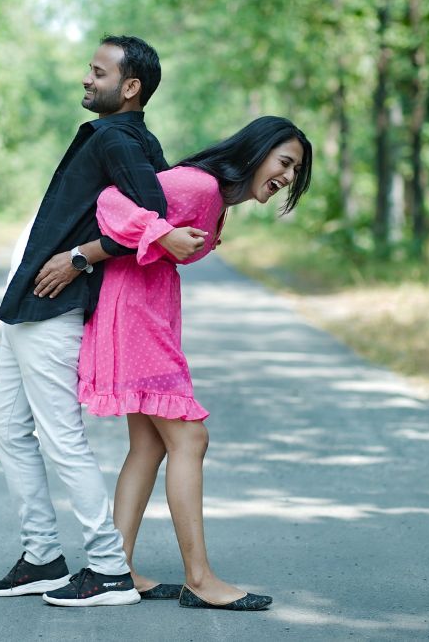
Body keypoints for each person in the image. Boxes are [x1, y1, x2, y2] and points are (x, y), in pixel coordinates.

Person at [0, 35, 205, 608]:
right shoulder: (112, 136)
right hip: (29, 303)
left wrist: (84, 256)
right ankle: (42, 558)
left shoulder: (123, 138)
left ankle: (108, 568)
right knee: (7, 429)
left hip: (54, 307)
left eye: (98, 72)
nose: (87, 78)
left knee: (62, 438)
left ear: (130, 88)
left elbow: (150, 218)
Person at [78, 116, 314, 611]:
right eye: (285, 163)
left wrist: (162, 238)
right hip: (137, 314)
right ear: (257, 150)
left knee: (148, 444)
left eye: (295, 172)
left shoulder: (214, 200)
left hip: (145, 310)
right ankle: (200, 579)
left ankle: (113, 568)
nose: (288, 177)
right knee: (190, 436)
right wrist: (161, 233)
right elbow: (111, 202)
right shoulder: (199, 185)